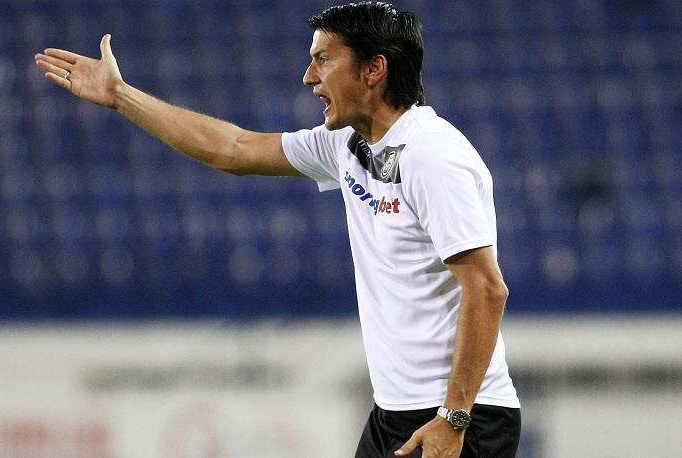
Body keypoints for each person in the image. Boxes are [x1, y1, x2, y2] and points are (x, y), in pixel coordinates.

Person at [34, 2, 520, 457]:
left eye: (323, 60)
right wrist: (121, 97)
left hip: (459, 415)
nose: (309, 76)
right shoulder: (349, 146)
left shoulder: (433, 156)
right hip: (397, 411)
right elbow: (234, 149)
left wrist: (454, 417)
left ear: (373, 69)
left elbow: (486, 288)